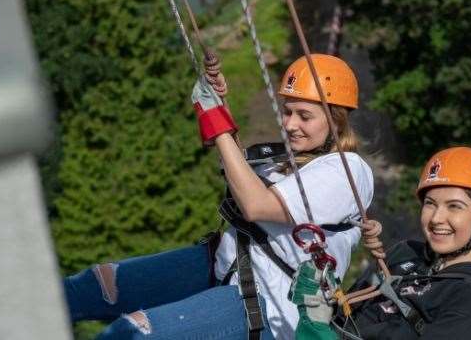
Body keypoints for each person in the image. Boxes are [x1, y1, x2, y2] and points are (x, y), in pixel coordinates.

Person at [64, 54, 375, 339]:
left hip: (266, 305)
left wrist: (216, 121)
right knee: (93, 286)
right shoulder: (290, 159)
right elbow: (241, 178)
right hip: (225, 266)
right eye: (287, 111)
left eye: (304, 116)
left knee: (129, 334)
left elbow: (256, 206)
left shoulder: (347, 171)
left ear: (336, 120)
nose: (290, 124)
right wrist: (221, 107)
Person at [291, 146, 471, 339]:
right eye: (430, 203)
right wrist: (322, 302)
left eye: (454, 206)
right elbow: (346, 319)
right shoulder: (404, 254)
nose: (437, 218)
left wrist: (319, 333)